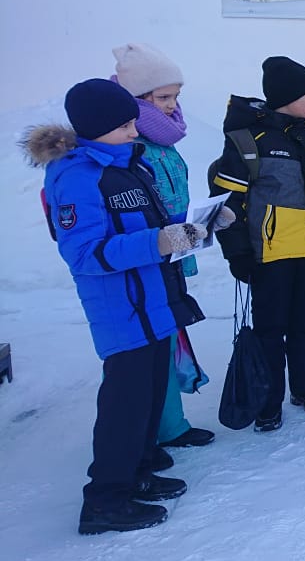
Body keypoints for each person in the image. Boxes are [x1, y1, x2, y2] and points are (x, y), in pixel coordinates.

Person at [25, 79, 230, 534]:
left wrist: (198, 224)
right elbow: (86, 253)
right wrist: (161, 241)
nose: (135, 131)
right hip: (122, 310)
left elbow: (154, 223)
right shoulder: (77, 177)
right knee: (124, 406)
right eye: (123, 125)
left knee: (151, 396)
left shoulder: (129, 164)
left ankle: (139, 470)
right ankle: (104, 500)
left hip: (154, 300)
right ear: (94, 129)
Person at [212, 56, 305, 432]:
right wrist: (236, 251)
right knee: (270, 329)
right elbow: (226, 203)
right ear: (286, 97)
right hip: (270, 254)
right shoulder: (247, 141)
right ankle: (268, 402)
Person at [112, 43, 215, 450]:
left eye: (175, 97)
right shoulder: (126, 145)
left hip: (173, 253)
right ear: (137, 100)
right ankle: (141, 436)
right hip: (143, 258)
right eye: (163, 98)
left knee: (169, 339)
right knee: (143, 349)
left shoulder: (163, 141)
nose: (173, 107)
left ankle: (170, 425)